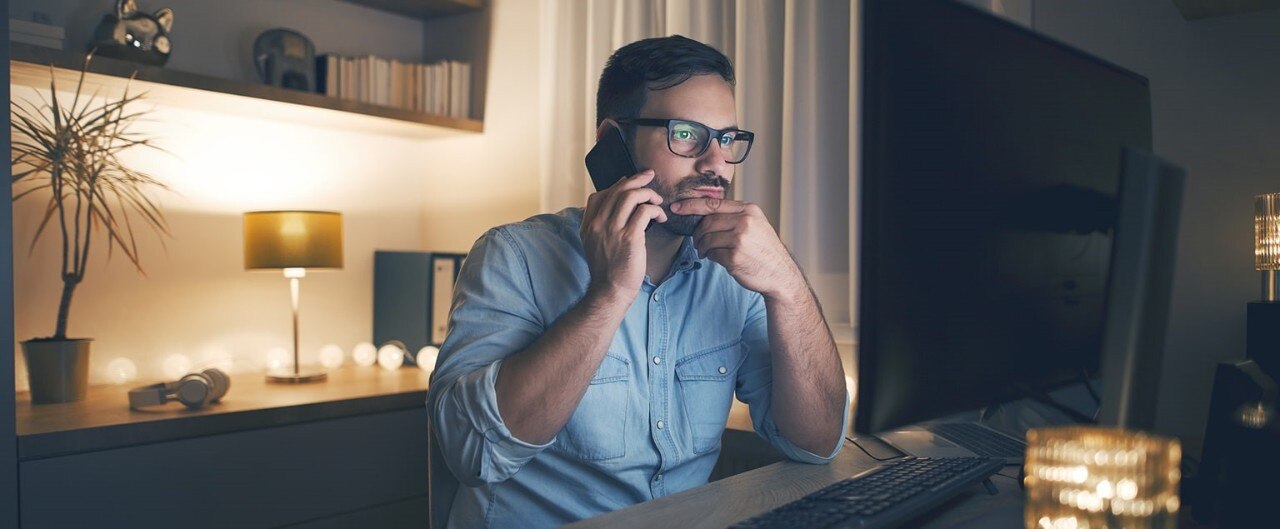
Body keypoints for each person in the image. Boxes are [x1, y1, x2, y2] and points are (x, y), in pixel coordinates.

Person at [427, 35, 847, 529]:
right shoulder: (513, 257)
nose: (716, 163)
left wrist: (787, 287)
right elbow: (473, 455)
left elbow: (815, 443)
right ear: (613, 140)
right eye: (687, 134)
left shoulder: (733, 273)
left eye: (728, 139)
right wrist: (609, 295)